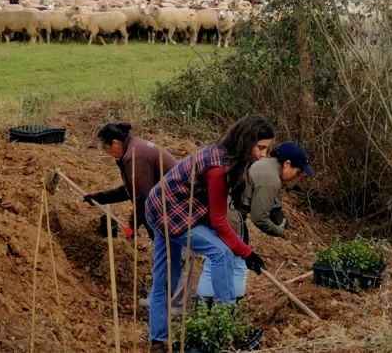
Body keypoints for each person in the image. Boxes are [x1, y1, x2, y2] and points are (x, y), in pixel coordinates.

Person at [145, 115, 275, 353]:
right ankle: (228, 329)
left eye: (266, 149)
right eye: (261, 148)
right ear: (246, 141)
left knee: (167, 280)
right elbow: (219, 222)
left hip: (160, 204)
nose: (263, 155)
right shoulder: (218, 168)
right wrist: (247, 253)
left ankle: (159, 341)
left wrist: (246, 253)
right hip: (171, 211)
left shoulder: (226, 155)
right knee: (221, 253)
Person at [82, 122, 191, 314]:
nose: (104, 151)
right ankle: (161, 301)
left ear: (115, 143)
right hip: (167, 209)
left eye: (104, 147)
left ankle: (173, 308)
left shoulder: (136, 157)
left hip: (175, 211)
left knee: (172, 258)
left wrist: (133, 225)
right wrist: (99, 197)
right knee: (166, 257)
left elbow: (143, 198)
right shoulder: (133, 149)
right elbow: (130, 190)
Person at [195, 141, 314, 303]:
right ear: (287, 164)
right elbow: (260, 218)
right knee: (238, 266)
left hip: (216, 206)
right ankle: (228, 318)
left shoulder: (264, 163)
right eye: (298, 171)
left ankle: (203, 316)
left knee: (212, 263)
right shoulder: (272, 179)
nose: (297, 177)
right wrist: (278, 230)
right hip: (230, 213)